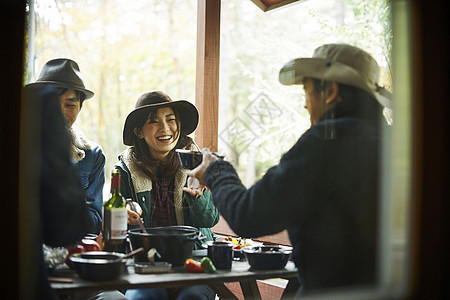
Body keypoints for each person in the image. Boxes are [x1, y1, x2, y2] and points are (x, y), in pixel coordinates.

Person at [186, 43, 392, 297]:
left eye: (306, 91)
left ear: (330, 91)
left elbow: (247, 214)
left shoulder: (327, 143)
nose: (306, 105)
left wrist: (215, 170)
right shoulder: (397, 142)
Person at [115, 90, 220, 300]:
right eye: (154, 122)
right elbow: (116, 229)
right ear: (139, 132)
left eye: (170, 120)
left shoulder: (199, 163)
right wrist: (122, 215)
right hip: (146, 268)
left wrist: (197, 195)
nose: (165, 129)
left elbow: (209, 219)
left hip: (194, 263)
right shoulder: (123, 171)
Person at [26, 58, 105, 235]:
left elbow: (95, 221)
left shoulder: (93, 155)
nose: (61, 112)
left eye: (70, 105)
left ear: (80, 108)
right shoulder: (17, 146)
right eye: (53, 103)